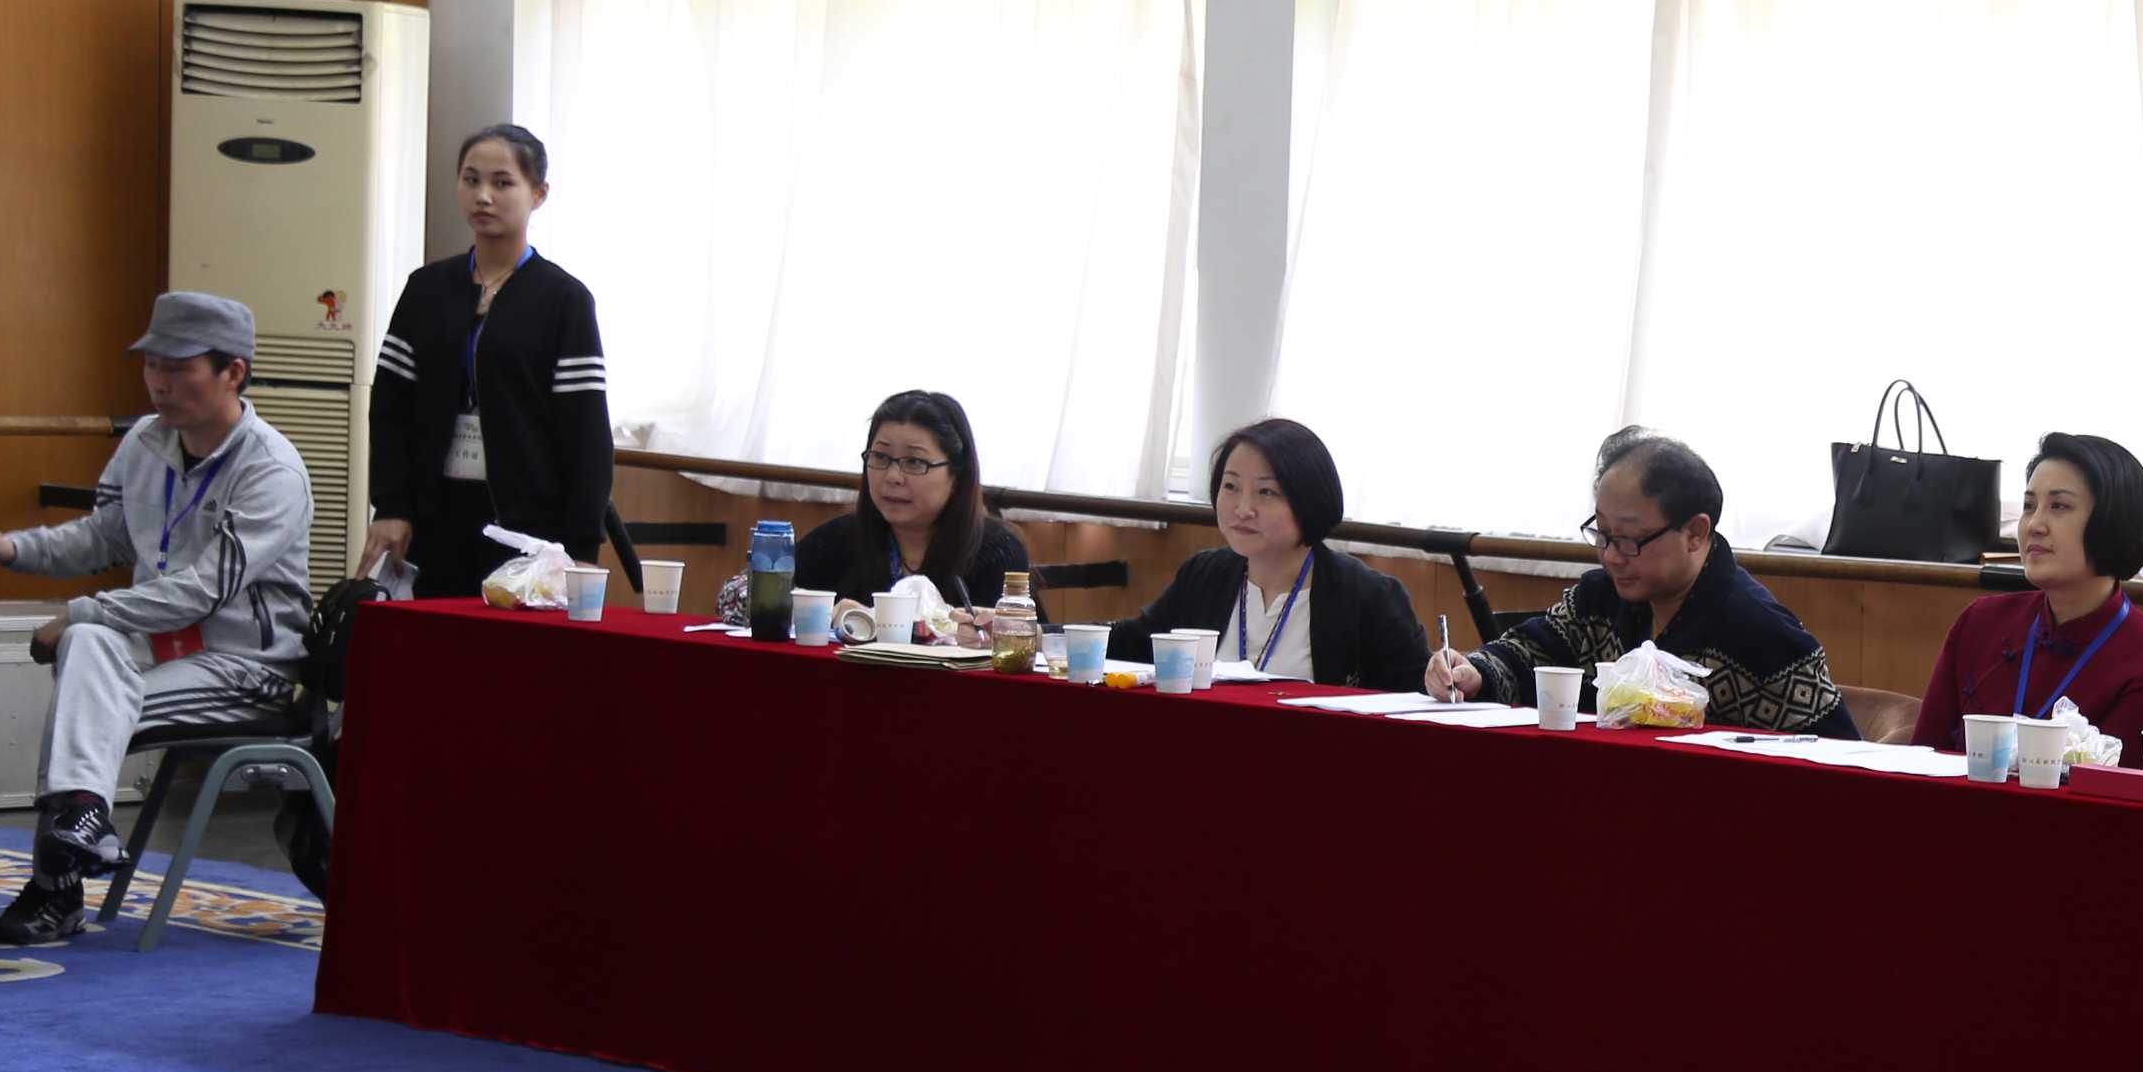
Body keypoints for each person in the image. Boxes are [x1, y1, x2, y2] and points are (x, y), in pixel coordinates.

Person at [0, 294, 315, 947]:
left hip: (247, 668)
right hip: (162, 648)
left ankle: (56, 887)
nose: (159, 382)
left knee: (86, 678)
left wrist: (82, 612)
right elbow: (105, 537)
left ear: (233, 373)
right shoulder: (147, 442)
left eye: (179, 368)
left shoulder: (271, 469)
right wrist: (11, 548)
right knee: (90, 644)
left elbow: (204, 591)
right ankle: (83, 819)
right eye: (152, 364)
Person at [1427, 432, 1855, 735]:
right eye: (1603, 533)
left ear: (1695, 532)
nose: (1611, 556)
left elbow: (1835, 760)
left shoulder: (1761, 632)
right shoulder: (1598, 598)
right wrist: (1472, 673)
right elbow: (1524, 656)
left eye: (1630, 539)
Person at [357, 124, 613, 591]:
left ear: (538, 194)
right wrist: (391, 504)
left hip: (529, 530)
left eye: (502, 182)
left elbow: (586, 433)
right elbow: (391, 407)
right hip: (433, 519)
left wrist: (582, 547)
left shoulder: (564, 300)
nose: (483, 196)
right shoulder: (426, 289)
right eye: (471, 180)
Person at [1911, 432, 2143, 767]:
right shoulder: (1980, 622)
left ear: (2113, 522)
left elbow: (2128, 797)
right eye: (2029, 506)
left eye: (2059, 506)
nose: (2034, 525)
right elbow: (1921, 762)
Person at [1110, 417, 1424, 690]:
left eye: (1266, 492)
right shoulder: (1205, 574)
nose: (1243, 509)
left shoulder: (1369, 596)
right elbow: (1134, 643)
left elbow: (1417, 691)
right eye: (1231, 486)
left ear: (1310, 501)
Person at [795, 391, 1038, 612]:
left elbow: (1025, 633)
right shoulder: (836, 540)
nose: (893, 477)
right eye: (880, 457)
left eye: (914, 462)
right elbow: (777, 607)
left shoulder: (996, 550)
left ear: (956, 475)